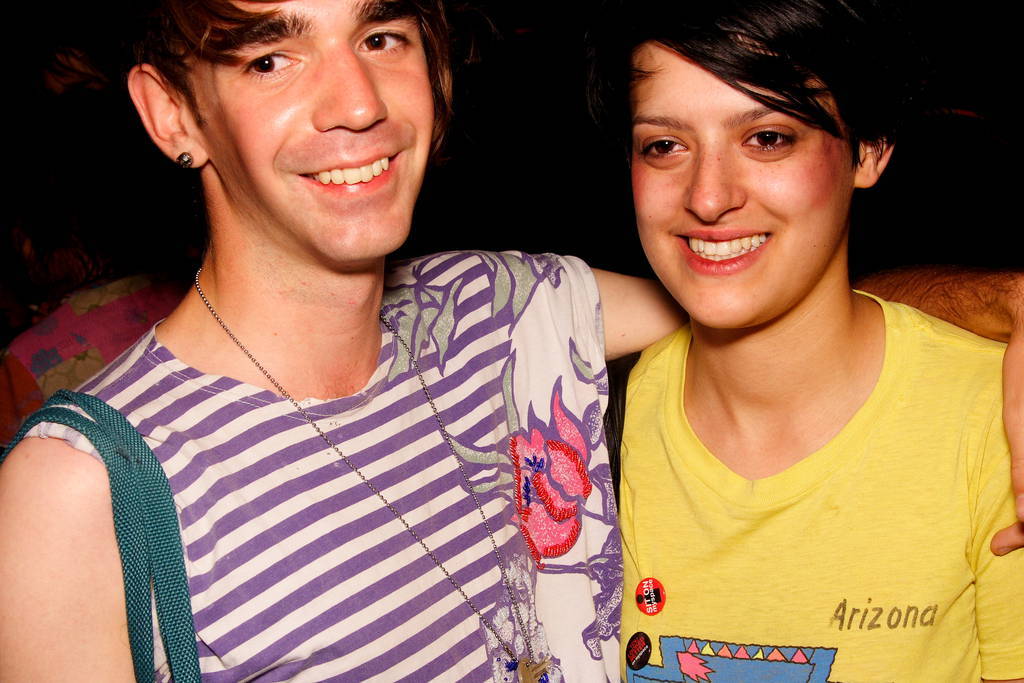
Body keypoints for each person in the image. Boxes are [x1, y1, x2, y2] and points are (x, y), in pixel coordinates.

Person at [0, 0, 1021, 681]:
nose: (355, 102)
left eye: (382, 36)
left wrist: (1014, 312)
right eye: (271, 56)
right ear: (170, 112)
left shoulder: (493, 316)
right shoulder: (76, 492)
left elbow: (761, 298)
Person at [586, 0, 1024, 680]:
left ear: (869, 149)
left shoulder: (999, 423)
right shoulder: (579, 426)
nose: (708, 197)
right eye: (665, 145)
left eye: (767, 137)